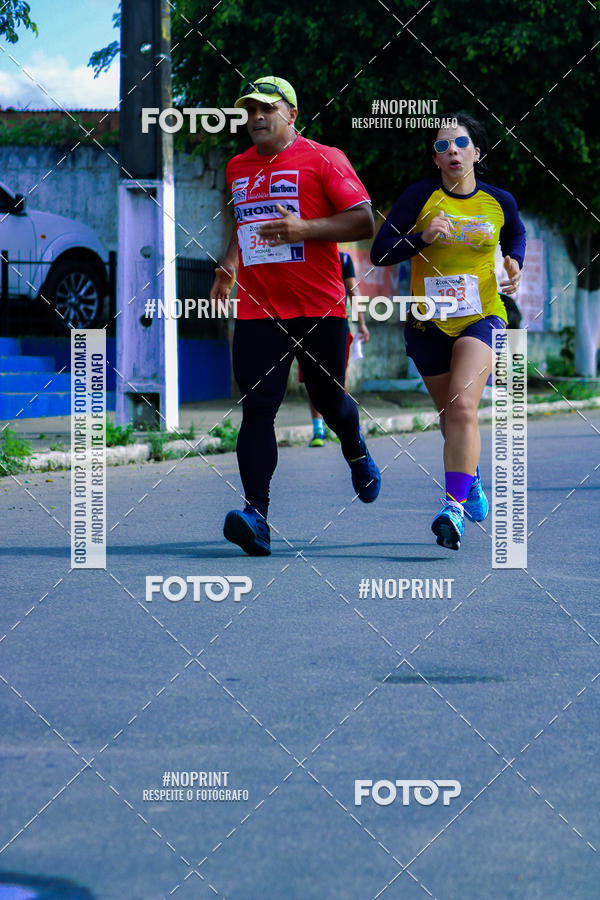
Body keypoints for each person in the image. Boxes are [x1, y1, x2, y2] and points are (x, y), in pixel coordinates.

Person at [210, 76, 381, 556]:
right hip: (259, 311)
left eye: (267, 108)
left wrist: (305, 227)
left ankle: (354, 448)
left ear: (292, 115)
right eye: (249, 110)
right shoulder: (237, 166)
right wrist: (229, 263)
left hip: (319, 308)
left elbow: (364, 218)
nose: (256, 118)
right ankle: (256, 517)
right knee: (258, 409)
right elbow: (243, 221)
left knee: (329, 401)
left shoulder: (325, 158)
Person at [371, 112, 525, 550]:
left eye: (460, 143)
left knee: (461, 407)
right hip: (427, 322)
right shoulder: (419, 197)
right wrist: (420, 237)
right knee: (450, 419)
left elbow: (515, 233)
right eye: (442, 147)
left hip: (483, 316)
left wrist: (514, 261)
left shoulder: (499, 200)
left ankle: (452, 507)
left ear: (477, 151)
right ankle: (470, 481)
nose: (451, 151)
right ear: (435, 160)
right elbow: (380, 252)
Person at [305, 249, 370, 447]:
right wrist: (361, 324)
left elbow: (353, 291)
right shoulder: (334, 256)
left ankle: (332, 429)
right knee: (328, 380)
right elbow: (353, 291)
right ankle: (334, 429)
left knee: (322, 380)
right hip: (319, 325)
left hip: (319, 324)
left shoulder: (338, 257)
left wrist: (361, 324)